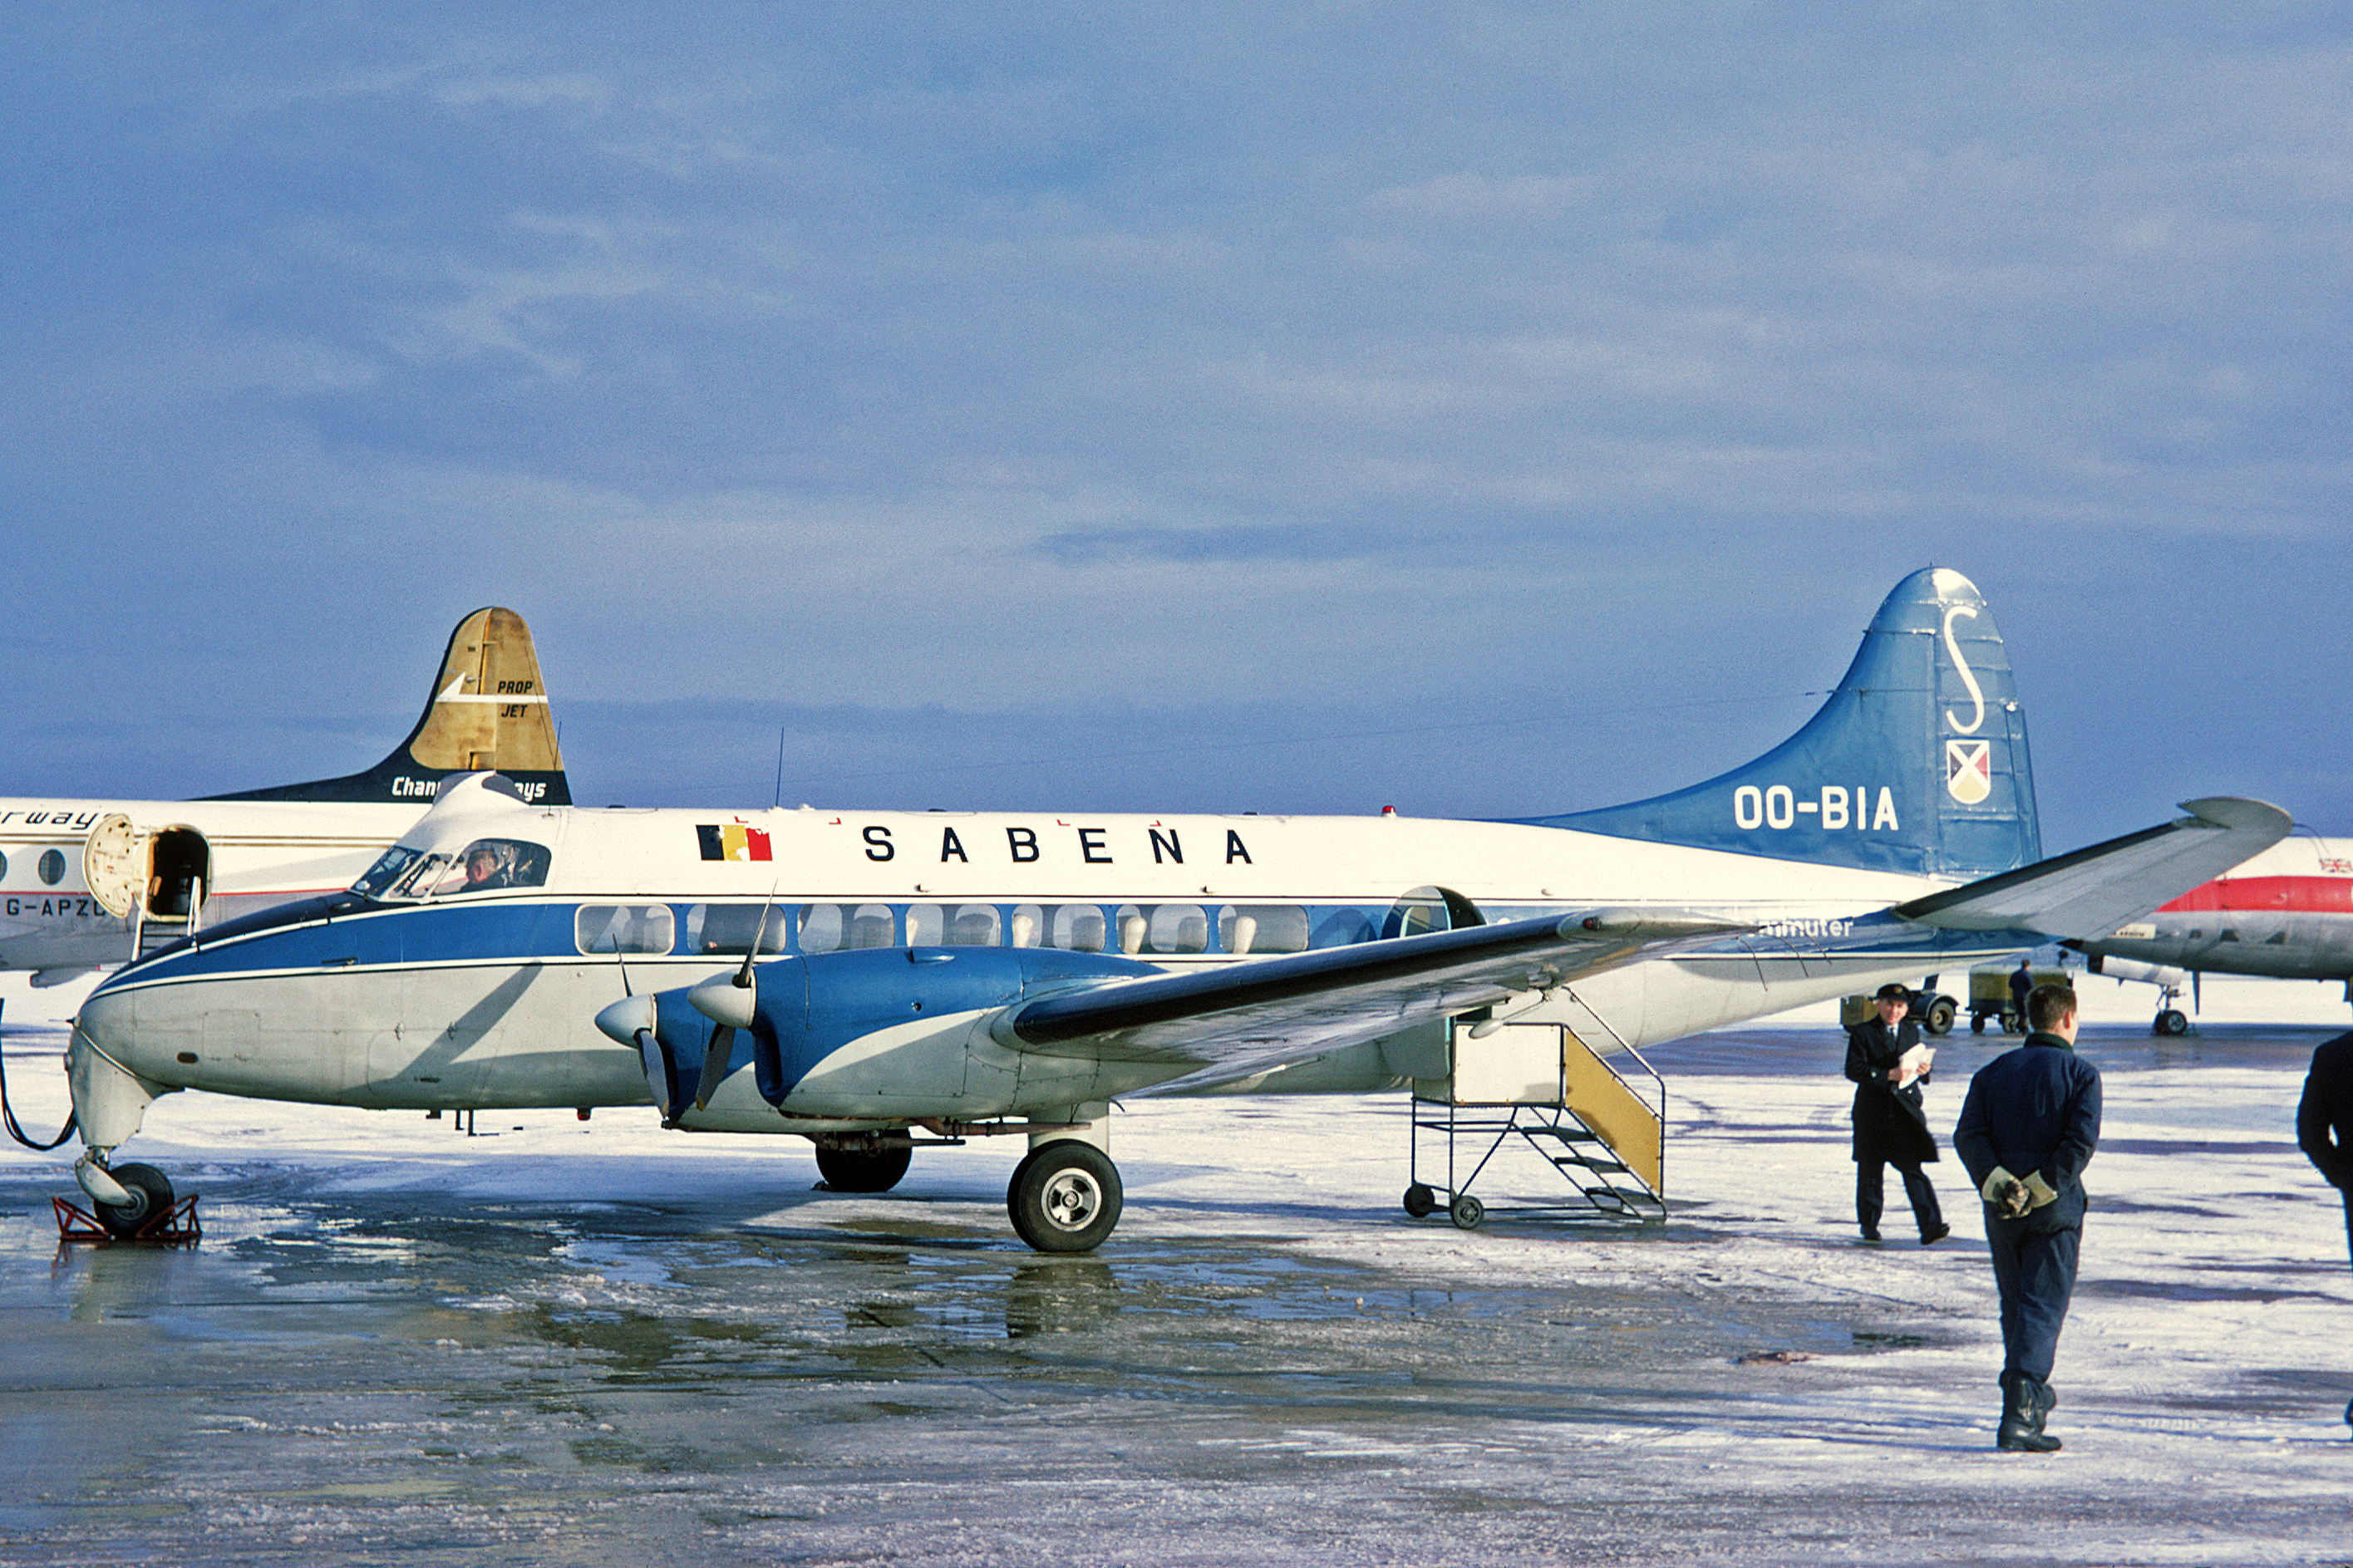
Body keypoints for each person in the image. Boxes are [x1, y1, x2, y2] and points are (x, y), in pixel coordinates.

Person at [1953, 981, 2102, 1453]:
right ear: (2068, 1019)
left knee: (2016, 1306)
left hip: (2002, 1210)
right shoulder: (2081, 1075)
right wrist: (2038, 1189)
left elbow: (1968, 1135)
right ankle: (2021, 1413)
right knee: (2041, 1308)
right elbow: (2078, 1145)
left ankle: (2029, 1398)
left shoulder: (1992, 1072)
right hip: (2053, 1210)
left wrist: (2002, 1184)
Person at [1845, 981, 1948, 1245]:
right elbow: (1854, 1069)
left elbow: (1913, 1065)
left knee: (1913, 1169)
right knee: (1871, 1171)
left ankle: (1931, 1225)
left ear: (1906, 1009)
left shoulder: (1910, 1031)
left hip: (1904, 1112)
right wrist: (1886, 1075)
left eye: (1900, 1006)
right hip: (1873, 1113)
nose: (1894, 1010)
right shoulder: (1863, 1033)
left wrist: (1924, 1072)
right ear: (1879, 1004)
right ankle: (1869, 1225)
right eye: (1889, 1004)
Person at [2009, 959, 2034, 1032]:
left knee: (2018, 1011)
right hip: (2025, 996)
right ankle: (2024, 1027)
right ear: (2028, 966)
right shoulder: (2028, 975)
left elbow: (2010, 984)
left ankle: (2013, 1023)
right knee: (2026, 1012)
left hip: (2016, 995)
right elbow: (2032, 986)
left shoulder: (2015, 974)